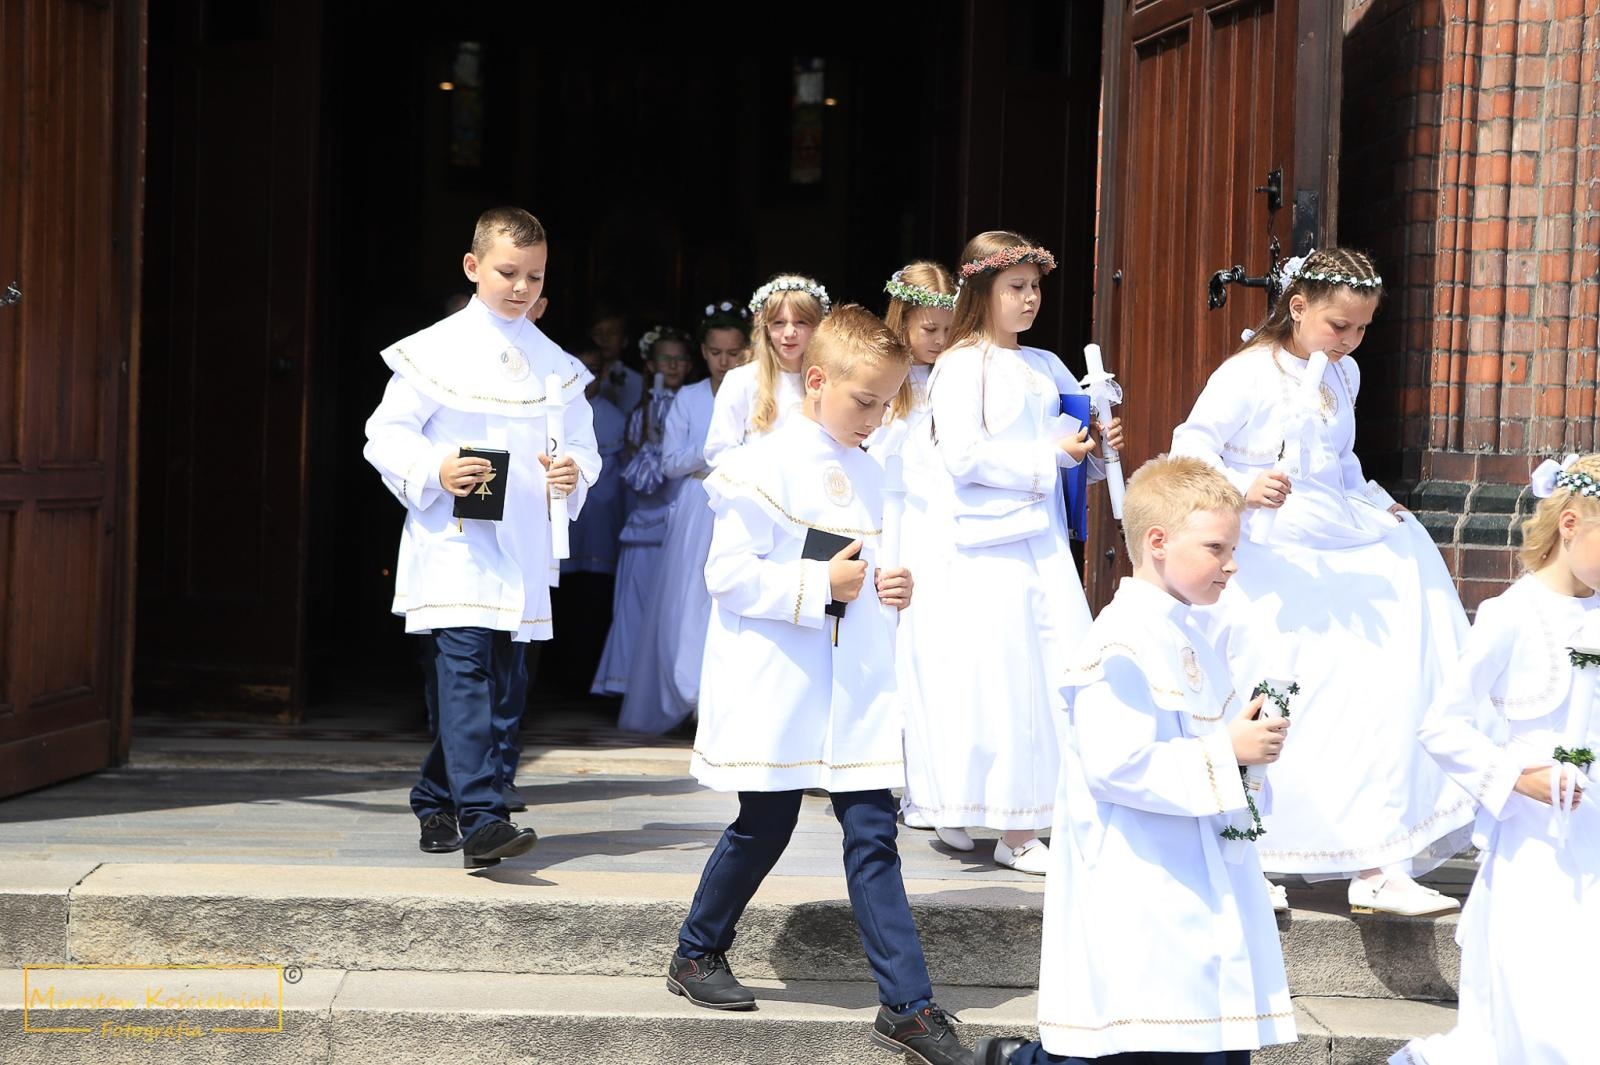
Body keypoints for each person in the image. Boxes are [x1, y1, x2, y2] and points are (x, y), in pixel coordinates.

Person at [667, 306, 971, 1065]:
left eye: (888, 402)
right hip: (785, 682)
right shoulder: (757, 465)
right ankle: (696, 951)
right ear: (816, 379)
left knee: (873, 832)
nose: (875, 417)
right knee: (763, 824)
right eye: (863, 400)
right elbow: (728, 576)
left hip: (855, 687)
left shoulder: (872, 469)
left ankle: (907, 1005)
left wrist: (887, 583)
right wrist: (818, 584)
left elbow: (863, 569)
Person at [1171, 247, 1472, 915]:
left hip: (1333, 537)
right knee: (1285, 693)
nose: (1349, 341)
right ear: (1298, 306)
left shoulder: (1346, 373)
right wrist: (1243, 487)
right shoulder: (1246, 374)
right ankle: (1256, 851)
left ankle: (1377, 859)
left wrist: (1375, 498)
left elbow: (1340, 460)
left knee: (1378, 681)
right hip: (1270, 553)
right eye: (1339, 326)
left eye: (1361, 328)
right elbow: (1189, 445)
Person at [976, 455, 1296, 1065]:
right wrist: (1226, 752)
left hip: (1204, 874)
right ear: (1157, 542)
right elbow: (1116, 765)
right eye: (1216, 547)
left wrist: (1252, 744)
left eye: (1234, 547)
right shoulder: (1119, 642)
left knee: (1212, 1037)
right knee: (1152, 1041)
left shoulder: (1190, 634)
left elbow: (1218, 743)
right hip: (1145, 880)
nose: (1232, 564)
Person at [363, 206, 600, 867]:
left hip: (520, 542)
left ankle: (434, 796)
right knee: (463, 670)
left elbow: (583, 443)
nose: (520, 287)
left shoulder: (554, 363)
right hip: (457, 538)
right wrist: (434, 468)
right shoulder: (434, 348)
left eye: (534, 275)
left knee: (501, 685)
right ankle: (484, 816)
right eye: (506, 272)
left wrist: (571, 467)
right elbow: (386, 434)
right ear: (473, 267)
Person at [899, 231, 1121, 873]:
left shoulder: (1048, 364)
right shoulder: (962, 364)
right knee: (998, 680)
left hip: (1039, 538)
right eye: (1014, 288)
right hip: (983, 547)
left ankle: (1038, 813)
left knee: (1050, 673)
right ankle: (1002, 822)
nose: (1029, 300)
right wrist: (1049, 455)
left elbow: (1071, 456)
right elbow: (962, 456)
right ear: (982, 291)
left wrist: (1096, 446)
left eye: (1035, 287)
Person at [1389, 454, 1599, 1065]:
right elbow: (1442, 724)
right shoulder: (1514, 613)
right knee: (1542, 1007)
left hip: (1593, 832)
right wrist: (1517, 778)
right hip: (1536, 843)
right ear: (1569, 523)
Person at [618, 301, 750, 733]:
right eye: (716, 353)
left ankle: (728, 700)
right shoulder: (690, 398)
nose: (724, 362)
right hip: (697, 503)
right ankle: (686, 691)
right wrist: (716, 452)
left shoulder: (755, 391)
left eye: (733, 353)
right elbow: (671, 462)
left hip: (744, 499)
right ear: (704, 352)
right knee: (688, 599)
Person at [872, 261, 959, 838]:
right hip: (892, 518)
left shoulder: (960, 374)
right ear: (902, 321)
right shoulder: (886, 380)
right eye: (927, 328)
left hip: (943, 526)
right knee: (891, 647)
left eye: (948, 326)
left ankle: (937, 781)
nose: (939, 339)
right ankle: (890, 774)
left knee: (936, 651)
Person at [591, 326, 691, 695]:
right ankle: (629, 682)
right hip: (646, 516)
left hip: (681, 518)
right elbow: (635, 472)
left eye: (680, 358)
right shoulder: (642, 412)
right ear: (651, 364)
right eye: (666, 359)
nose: (674, 365)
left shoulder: (695, 404)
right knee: (637, 601)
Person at [702, 274, 827, 466]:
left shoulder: (829, 382)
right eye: (779, 322)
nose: (789, 333)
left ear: (817, 326)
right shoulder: (741, 380)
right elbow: (718, 452)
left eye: (801, 322)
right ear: (766, 328)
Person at [590, 306, 645, 415]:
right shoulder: (577, 379)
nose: (604, 339)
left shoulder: (639, 382)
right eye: (597, 333)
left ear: (624, 340)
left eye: (612, 332)